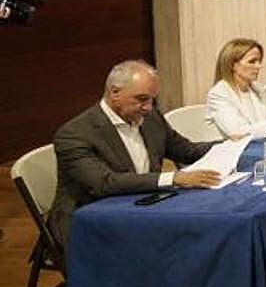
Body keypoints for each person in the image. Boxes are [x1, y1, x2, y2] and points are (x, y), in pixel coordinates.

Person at [49, 60, 221, 254]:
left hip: (144, 207)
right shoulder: (75, 134)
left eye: (152, 100)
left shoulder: (151, 118)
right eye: (141, 99)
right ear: (115, 93)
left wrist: (231, 145)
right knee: (178, 246)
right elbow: (104, 183)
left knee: (202, 234)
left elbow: (187, 151)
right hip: (90, 219)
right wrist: (174, 178)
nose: (148, 107)